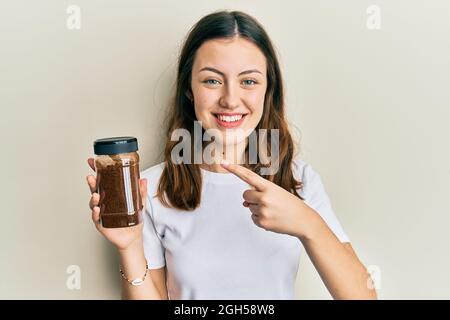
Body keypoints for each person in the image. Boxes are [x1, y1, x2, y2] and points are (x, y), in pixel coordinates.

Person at [86, 10, 377, 300]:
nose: (230, 99)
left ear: (268, 90)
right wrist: (129, 246)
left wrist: (308, 223)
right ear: (189, 89)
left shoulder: (298, 180)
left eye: (249, 81)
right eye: (212, 81)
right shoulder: (151, 189)